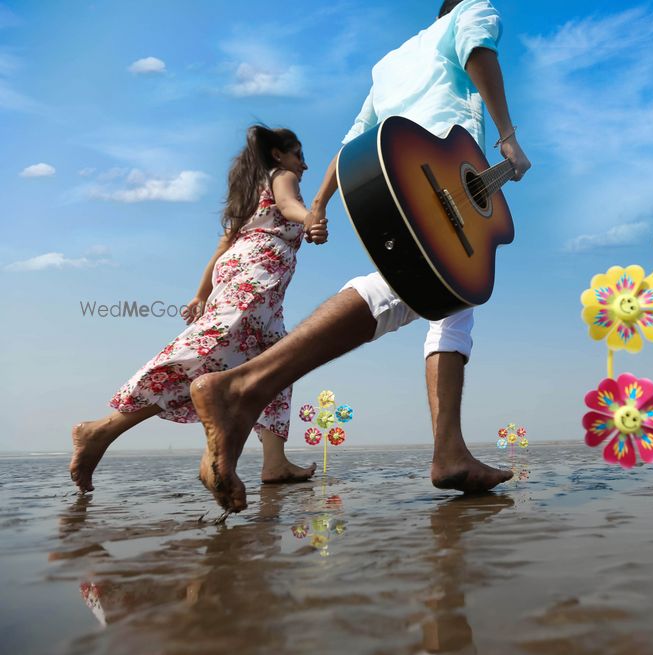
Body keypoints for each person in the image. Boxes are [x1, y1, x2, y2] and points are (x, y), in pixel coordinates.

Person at [191, 0, 531, 512]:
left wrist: (322, 202)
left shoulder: (391, 61)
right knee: (411, 287)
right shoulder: (472, 10)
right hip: (437, 171)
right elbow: (479, 51)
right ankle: (242, 386)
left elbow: (353, 140)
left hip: (398, 172)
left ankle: (449, 451)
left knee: (451, 298)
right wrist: (507, 136)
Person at [70, 125, 330, 493]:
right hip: (257, 276)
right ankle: (100, 430)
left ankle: (275, 462)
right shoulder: (282, 177)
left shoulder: (249, 191)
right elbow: (289, 206)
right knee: (207, 354)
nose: (304, 165)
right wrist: (310, 218)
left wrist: (200, 292)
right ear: (278, 155)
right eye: (299, 155)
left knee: (277, 363)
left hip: (246, 275)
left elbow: (223, 244)